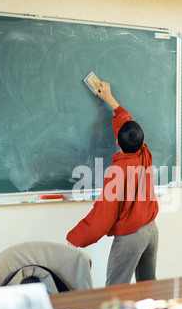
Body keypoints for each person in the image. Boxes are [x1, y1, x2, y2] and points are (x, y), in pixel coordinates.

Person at [66, 81, 159, 285]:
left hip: (132, 238)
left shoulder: (118, 172)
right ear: (140, 139)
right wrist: (109, 98)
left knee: (115, 289)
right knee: (148, 286)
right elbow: (127, 123)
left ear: (118, 142)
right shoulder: (145, 152)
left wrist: (76, 237)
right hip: (151, 231)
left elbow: (103, 215)